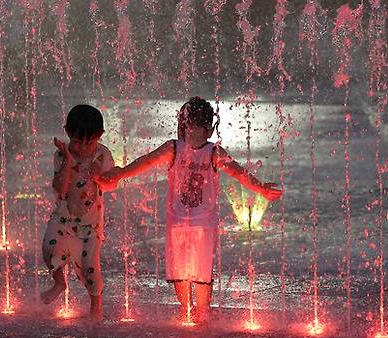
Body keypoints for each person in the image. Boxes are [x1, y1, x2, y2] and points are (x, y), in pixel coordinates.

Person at [101, 97, 282, 323]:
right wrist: (120, 173)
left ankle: (199, 311)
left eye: (191, 128)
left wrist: (261, 189)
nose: (190, 133)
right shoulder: (174, 149)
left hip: (199, 224)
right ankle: (191, 310)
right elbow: (145, 162)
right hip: (182, 223)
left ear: (204, 129)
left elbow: (238, 172)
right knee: (184, 272)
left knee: (197, 272)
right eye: (187, 128)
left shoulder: (212, 152)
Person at [41, 104, 117, 321]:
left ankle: (96, 304)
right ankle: (59, 283)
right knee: (49, 248)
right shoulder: (61, 155)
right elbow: (60, 188)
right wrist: (67, 159)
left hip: (90, 223)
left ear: (100, 136)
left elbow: (112, 185)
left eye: (89, 142)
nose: (83, 148)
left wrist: (100, 177)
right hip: (63, 217)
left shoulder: (103, 155)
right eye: (77, 141)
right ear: (68, 133)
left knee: (90, 266)